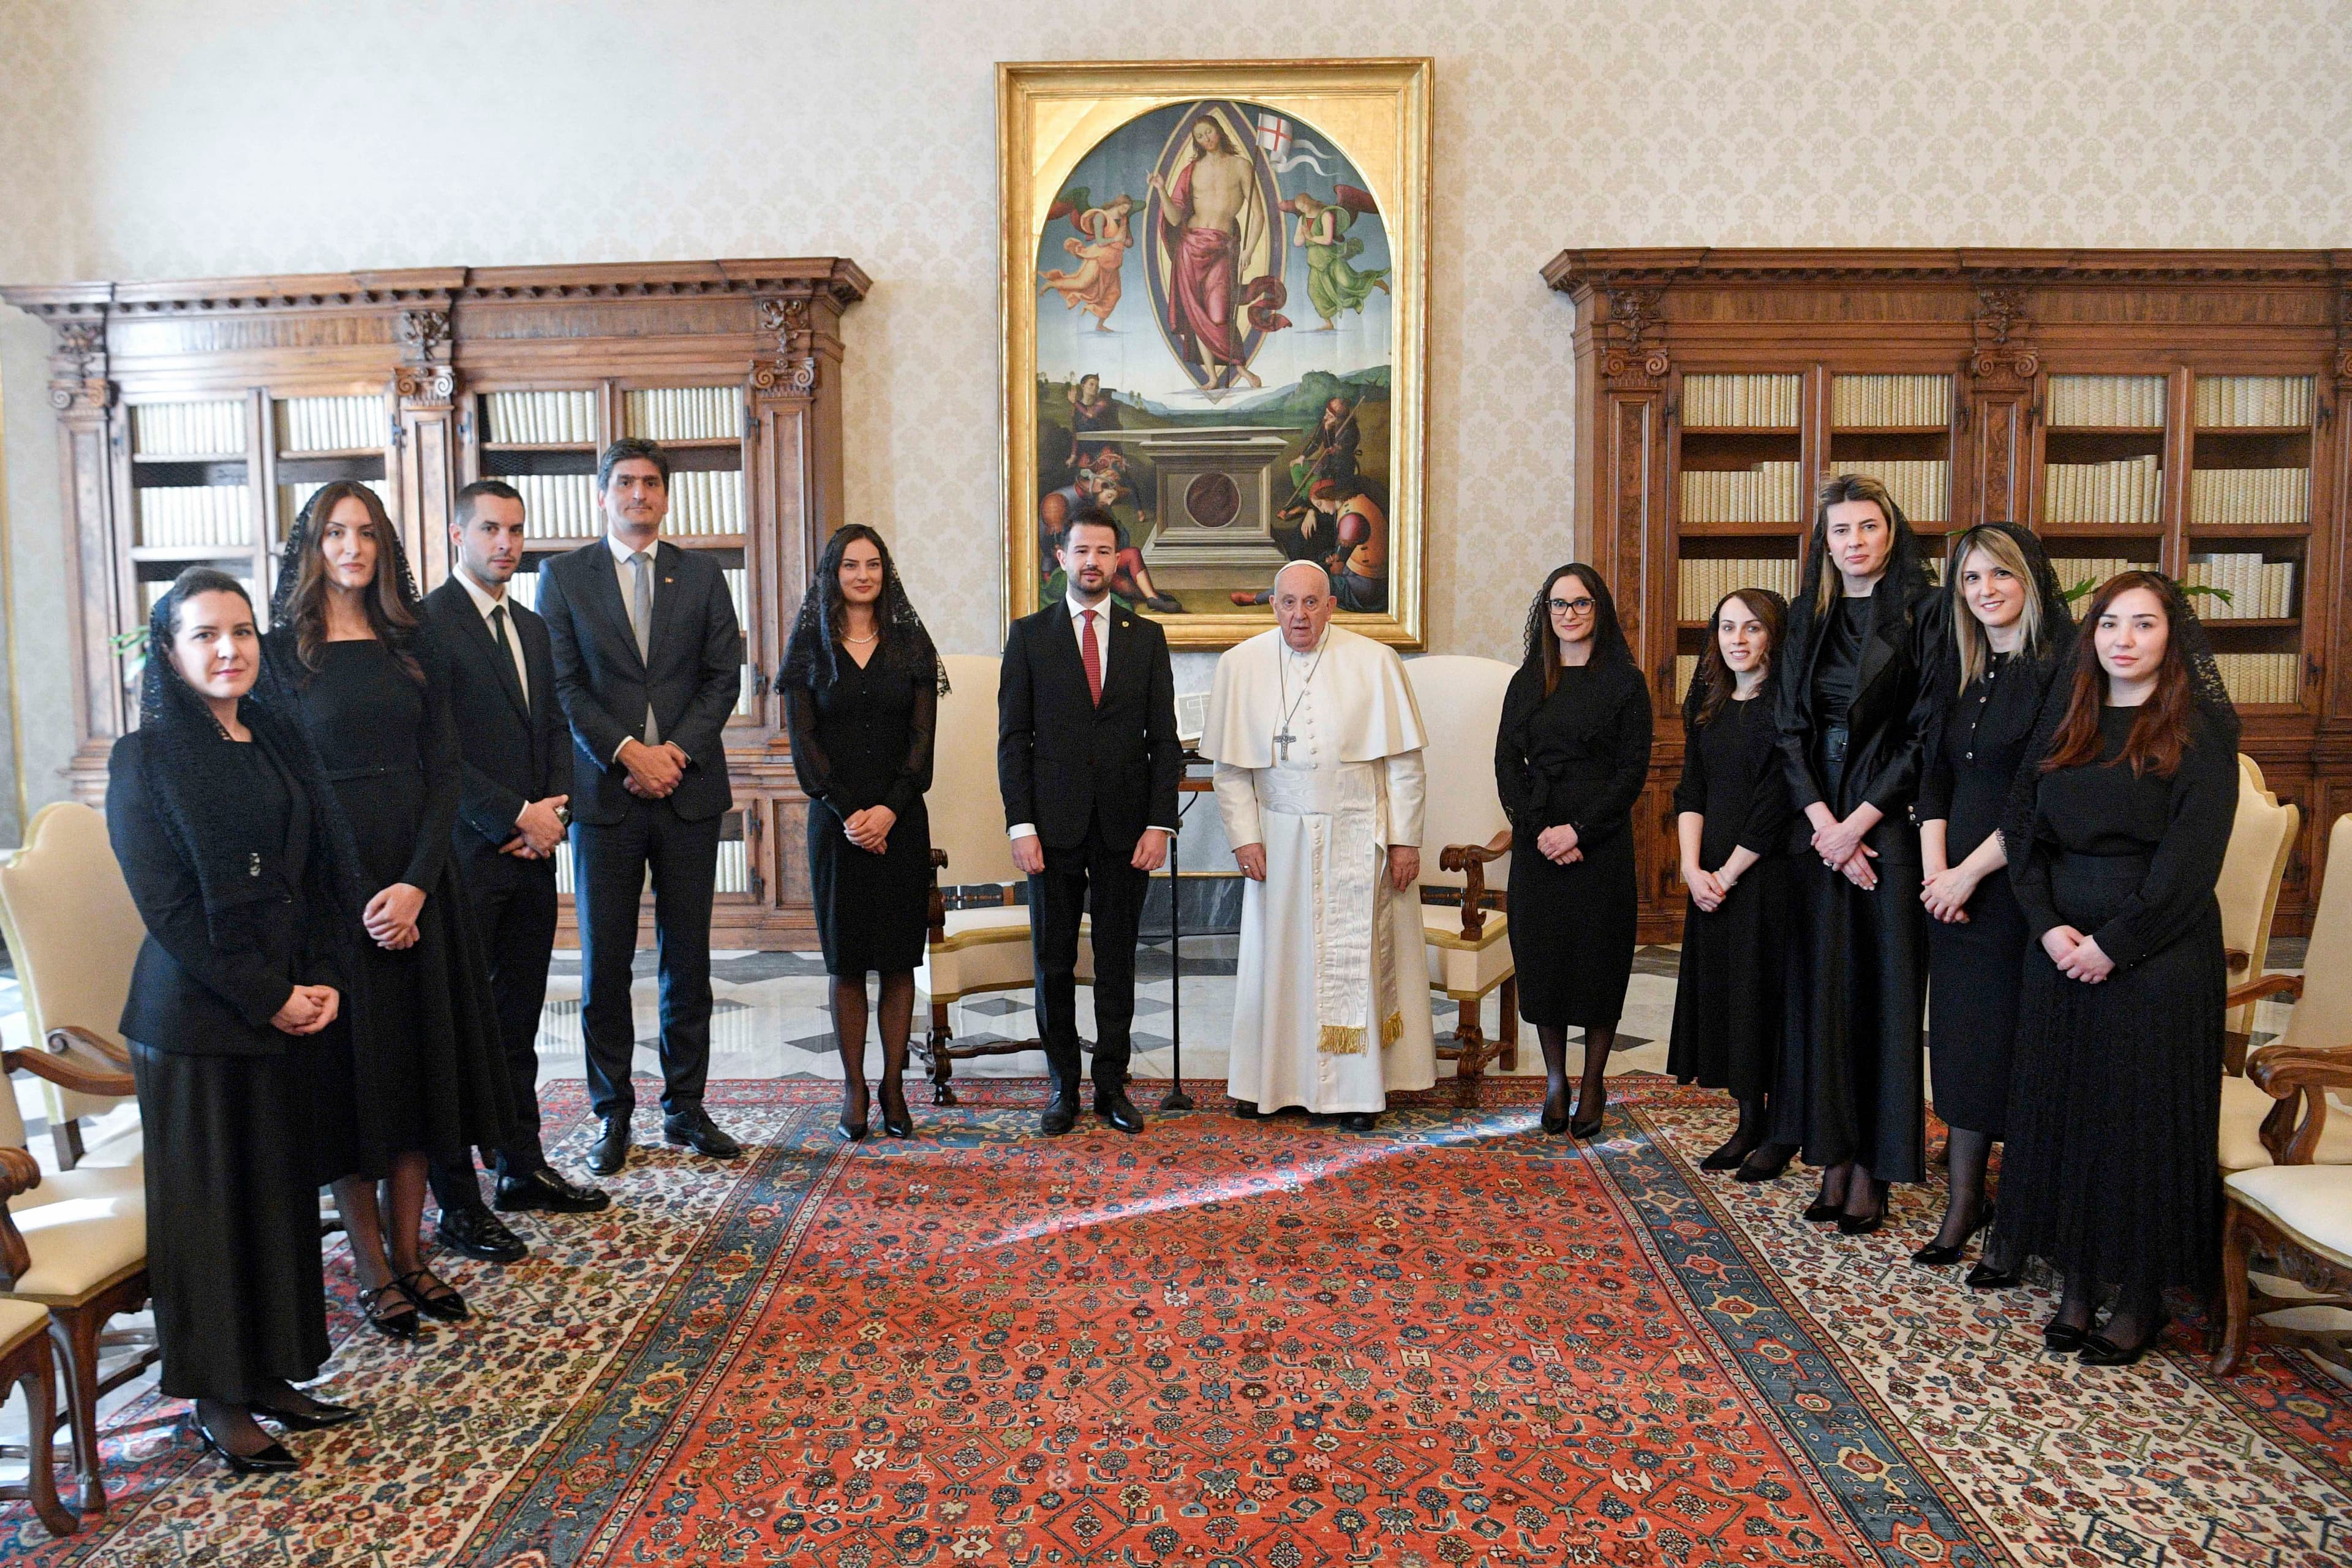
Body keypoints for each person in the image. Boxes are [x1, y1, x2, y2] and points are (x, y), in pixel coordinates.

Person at [108, 567, 366, 1474]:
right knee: (213, 1217)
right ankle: (219, 1399)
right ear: (170, 653)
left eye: (243, 631)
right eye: (207, 635)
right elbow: (171, 911)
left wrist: (324, 976)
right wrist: (270, 996)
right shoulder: (144, 759)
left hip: (286, 1005)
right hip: (195, 1021)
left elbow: (323, 872)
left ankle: (271, 1374)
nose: (230, 649)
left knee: (278, 1204)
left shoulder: (277, 737)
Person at [267, 482, 514, 1339]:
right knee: (354, 1084)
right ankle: (372, 1266)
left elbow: (445, 773)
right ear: (312, 546)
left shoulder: (416, 643)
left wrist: (414, 885)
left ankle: (413, 1255)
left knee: (417, 1074)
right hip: (332, 902)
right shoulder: (280, 655)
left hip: (420, 890)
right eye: (335, 532)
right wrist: (356, 894)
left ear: (384, 546)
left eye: (366, 532)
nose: (352, 547)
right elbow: (286, 788)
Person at [1987, 573, 2237, 1366]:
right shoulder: (2070, 719)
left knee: (2136, 1128)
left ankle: (2139, 1298)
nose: (2123, 639)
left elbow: (2189, 867)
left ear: (2173, 638)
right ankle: (2077, 1279)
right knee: (2068, 1114)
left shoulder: (2200, 735)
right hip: (2060, 949)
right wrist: (2049, 927)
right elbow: (2022, 832)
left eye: (2143, 624)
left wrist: (2112, 946)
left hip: (2157, 957)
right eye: (2109, 624)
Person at [537, 437, 745, 1176]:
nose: (639, 494)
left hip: (689, 793)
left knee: (688, 961)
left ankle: (686, 1106)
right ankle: (612, 1112)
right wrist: (629, 752)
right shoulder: (564, 577)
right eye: (625, 482)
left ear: (665, 494)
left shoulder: (704, 574)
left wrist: (674, 754)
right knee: (606, 965)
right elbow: (564, 685)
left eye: (651, 483)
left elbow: (724, 677)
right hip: (606, 796)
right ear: (603, 495)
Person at [1747, 474, 1939, 1234]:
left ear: (1891, 532)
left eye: (1868, 526)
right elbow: (1789, 729)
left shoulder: (1926, 612)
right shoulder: (1808, 615)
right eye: (1841, 530)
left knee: (1882, 1000)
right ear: (1823, 543)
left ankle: (1873, 1169)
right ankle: (1832, 1152)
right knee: (1823, 997)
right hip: (1818, 828)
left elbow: (1923, 735)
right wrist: (1826, 826)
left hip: (1887, 826)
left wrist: (1857, 824)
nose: (1855, 541)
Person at [421, 478, 609, 1243]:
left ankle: (520, 1165)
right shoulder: (426, 624)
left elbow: (557, 730)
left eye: (516, 530)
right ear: (458, 534)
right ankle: (456, 1198)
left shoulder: (531, 626)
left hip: (533, 857)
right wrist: (510, 815)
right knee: (455, 1031)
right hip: (464, 856)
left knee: (516, 1022)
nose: (506, 543)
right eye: (491, 529)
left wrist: (553, 814)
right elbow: (435, 748)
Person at [1204, 560, 1436, 1131]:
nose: (1299, 615)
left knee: (1355, 964)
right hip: (1278, 840)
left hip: (1359, 832)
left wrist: (1404, 841)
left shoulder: (1374, 661)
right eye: (1288, 603)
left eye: (1312, 603)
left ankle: (1357, 1093)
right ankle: (1271, 1085)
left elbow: (1405, 765)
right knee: (1279, 964)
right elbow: (1230, 772)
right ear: (1273, 605)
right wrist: (1245, 838)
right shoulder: (1240, 665)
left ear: (1332, 606)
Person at [1910, 524, 2074, 1273]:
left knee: (2013, 1049)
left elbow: (2036, 796)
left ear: (2030, 580)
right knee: (1960, 1045)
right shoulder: (1964, 667)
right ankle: (1963, 1201)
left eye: (2000, 575)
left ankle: (2017, 1216)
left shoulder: (2059, 671)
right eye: (1971, 579)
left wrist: (1967, 875)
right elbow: (1934, 775)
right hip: (1950, 889)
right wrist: (1935, 873)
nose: (1985, 591)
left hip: (2018, 889)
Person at [997, 508, 1183, 1136]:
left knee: (1117, 961)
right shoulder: (1029, 637)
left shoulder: (1146, 638)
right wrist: (1020, 826)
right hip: (1050, 830)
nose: (1093, 562)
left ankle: (1111, 1085)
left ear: (1117, 560)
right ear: (1062, 558)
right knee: (1053, 962)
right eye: (1081, 551)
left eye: (1104, 551)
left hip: (1126, 830)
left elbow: (1165, 742)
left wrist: (1160, 824)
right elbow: (1013, 741)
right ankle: (1062, 1087)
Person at [782, 525, 944, 1143]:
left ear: (886, 573)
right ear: (834, 574)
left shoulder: (911, 643)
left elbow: (923, 743)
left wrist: (888, 811)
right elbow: (805, 745)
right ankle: (854, 1087)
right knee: (847, 963)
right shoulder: (809, 647)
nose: (862, 575)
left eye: (873, 564)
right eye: (850, 565)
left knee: (899, 960)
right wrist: (852, 812)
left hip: (901, 823)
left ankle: (894, 1086)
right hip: (836, 827)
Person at [1496, 565, 1654, 1137]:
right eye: (1559, 604)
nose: (1569, 614)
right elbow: (1506, 764)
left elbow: (1632, 772)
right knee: (1546, 963)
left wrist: (1578, 832)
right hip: (1538, 843)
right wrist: (1541, 830)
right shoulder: (1528, 681)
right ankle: (1556, 1080)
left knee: (1598, 964)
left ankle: (1593, 1082)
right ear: (1546, 613)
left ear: (1599, 609)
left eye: (1581, 603)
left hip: (1601, 843)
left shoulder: (1626, 684)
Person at [1665, 588, 1796, 1167]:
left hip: (1766, 875)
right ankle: (1748, 1122)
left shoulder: (1785, 707)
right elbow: (1691, 788)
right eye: (1726, 627)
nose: (1737, 640)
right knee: (1729, 998)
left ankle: (1779, 1131)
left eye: (1752, 628)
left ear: (1774, 636)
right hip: (1711, 875)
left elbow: (1775, 804)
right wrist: (1692, 869)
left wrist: (1726, 873)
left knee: (1762, 997)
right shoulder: (1708, 701)